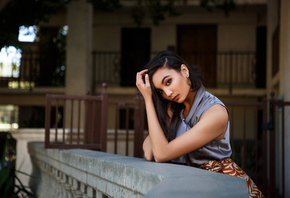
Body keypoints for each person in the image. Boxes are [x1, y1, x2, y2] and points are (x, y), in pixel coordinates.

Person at [136, 51, 264, 198]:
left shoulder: (216, 113)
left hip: (221, 184)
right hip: (190, 184)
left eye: (168, 82)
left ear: (184, 71)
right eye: (160, 91)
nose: (168, 93)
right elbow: (149, 150)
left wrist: (147, 100)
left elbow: (160, 154)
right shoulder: (174, 109)